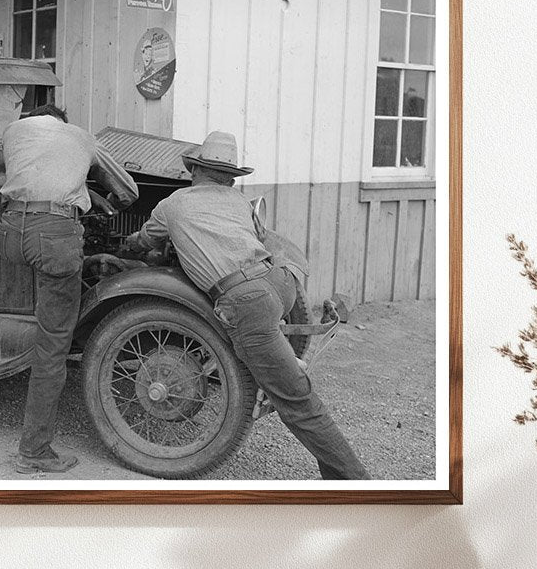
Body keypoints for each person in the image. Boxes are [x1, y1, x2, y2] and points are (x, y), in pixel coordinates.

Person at [123, 131, 368, 480]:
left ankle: (358, 485)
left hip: (246, 300)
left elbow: (147, 240)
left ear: (196, 171)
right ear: (230, 177)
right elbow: (255, 238)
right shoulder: (240, 203)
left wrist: (127, 246)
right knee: (275, 357)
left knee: (297, 400)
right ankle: (279, 357)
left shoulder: (173, 203)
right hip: (278, 282)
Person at [0, 104, 138, 474]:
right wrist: (94, 196)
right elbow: (128, 192)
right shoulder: (80, 137)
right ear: (63, 123)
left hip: (8, 233)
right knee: (53, 348)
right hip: (53, 237)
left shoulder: (13, 132)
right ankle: (34, 451)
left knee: (41, 279)